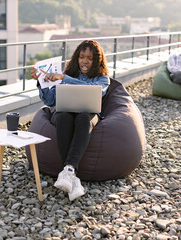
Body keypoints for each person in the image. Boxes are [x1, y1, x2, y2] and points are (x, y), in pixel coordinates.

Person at [30, 40, 110, 201]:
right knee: (64, 117)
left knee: (83, 119)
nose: (85, 61)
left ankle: (68, 172)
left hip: (87, 115)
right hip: (64, 113)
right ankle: (72, 176)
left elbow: (95, 92)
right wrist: (41, 82)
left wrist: (64, 78)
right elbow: (50, 100)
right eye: (81, 57)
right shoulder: (68, 74)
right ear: (77, 58)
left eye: (89, 58)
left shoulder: (102, 79)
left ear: (97, 60)